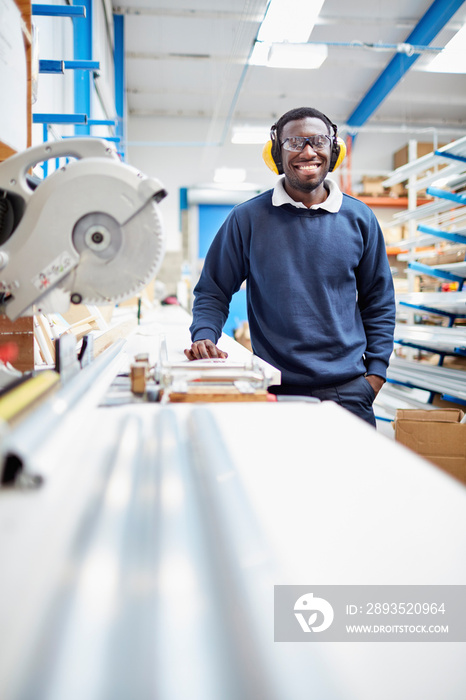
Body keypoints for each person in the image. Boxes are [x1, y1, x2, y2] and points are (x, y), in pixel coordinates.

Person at [184, 107, 395, 427]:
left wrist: (375, 375)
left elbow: (378, 301)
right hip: (273, 388)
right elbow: (213, 290)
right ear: (277, 154)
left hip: (349, 392)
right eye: (295, 142)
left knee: (354, 477)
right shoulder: (247, 219)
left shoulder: (360, 218)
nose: (308, 151)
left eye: (318, 141)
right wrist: (204, 334)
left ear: (333, 149)